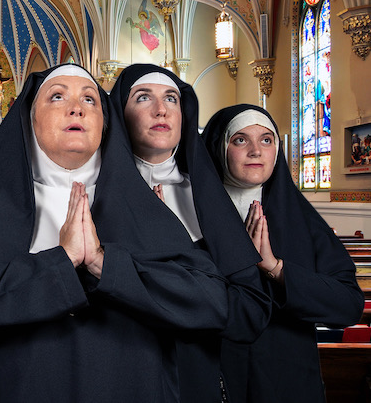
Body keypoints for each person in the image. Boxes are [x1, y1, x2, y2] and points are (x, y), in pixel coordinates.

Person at [0, 64, 231, 402]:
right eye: (57, 97)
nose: (77, 108)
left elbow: (211, 303)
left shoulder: (139, 204)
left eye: (90, 99)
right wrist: (61, 262)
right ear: (30, 119)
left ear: (104, 123)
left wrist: (103, 263)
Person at [110, 64, 271, 402]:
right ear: (120, 113)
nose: (161, 109)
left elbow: (249, 312)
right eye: (143, 98)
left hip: (197, 375)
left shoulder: (206, 197)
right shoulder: (97, 199)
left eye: (171, 98)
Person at [202, 104, 364, 403]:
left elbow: (348, 305)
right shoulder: (192, 213)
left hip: (287, 380)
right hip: (213, 376)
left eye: (266, 140)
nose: (256, 151)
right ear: (218, 146)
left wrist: (276, 268)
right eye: (240, 140)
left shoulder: (303, 220)